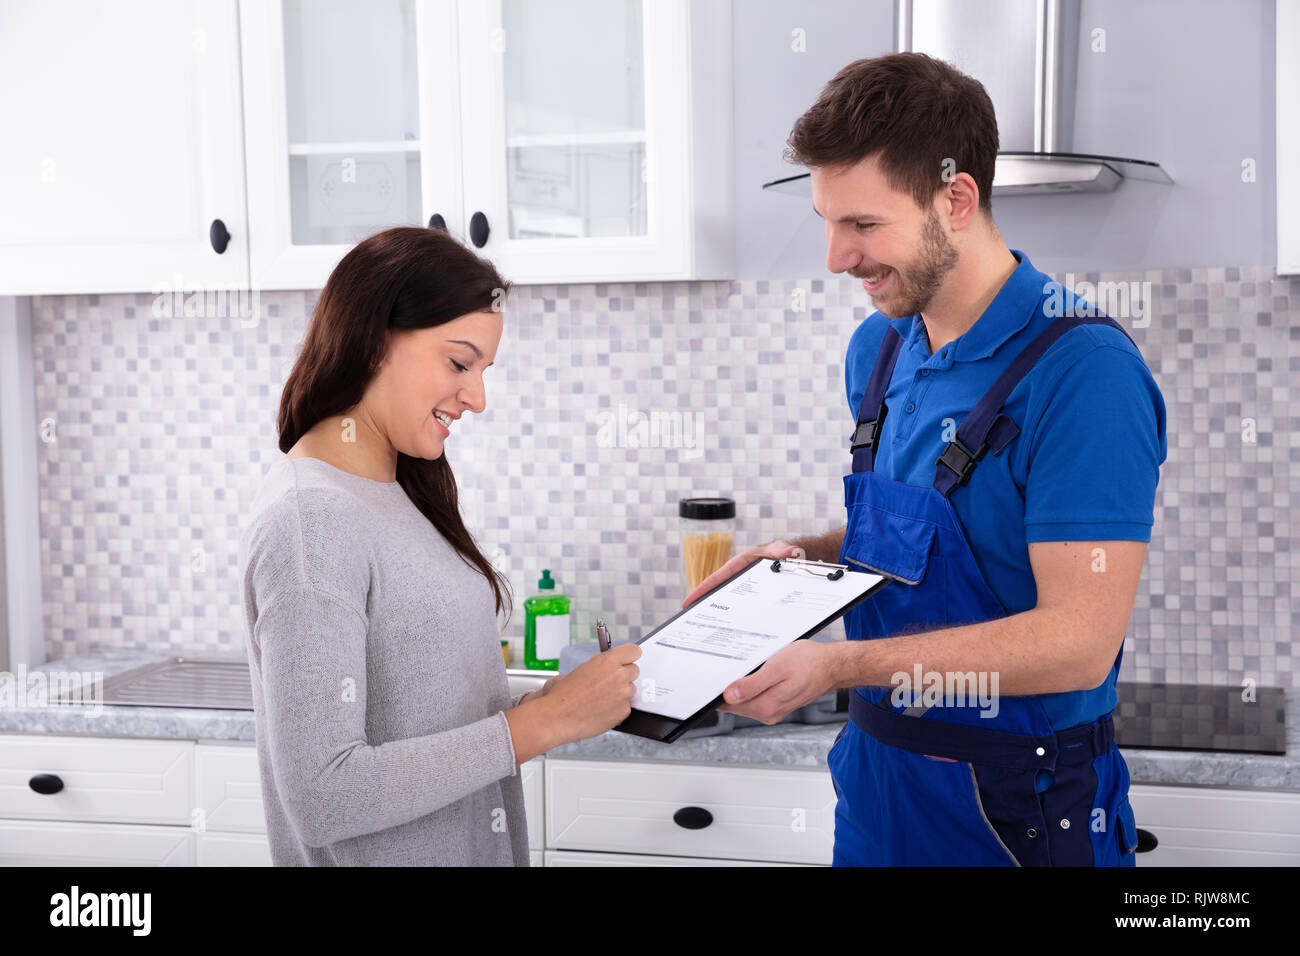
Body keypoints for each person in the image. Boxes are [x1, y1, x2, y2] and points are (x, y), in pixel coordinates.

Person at [684, 53, 1167, 866]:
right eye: (828, 223)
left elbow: (1079, 640)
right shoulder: (878, 348)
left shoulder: (1085, 373)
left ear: (957, 199)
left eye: (864, 226)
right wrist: (800, 564)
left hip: (1018, 810)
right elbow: (940, 537)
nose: (838, 257)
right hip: (878, 790)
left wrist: (838, 664)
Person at [238, 226, 640, 865]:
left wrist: (555, 704)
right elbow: (324, 796)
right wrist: (541, 725)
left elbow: (423, 714)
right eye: (459, 363)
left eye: (483, 370)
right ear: (373, 341)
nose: (476, 397)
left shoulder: (397, 491)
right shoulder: (311, 521)